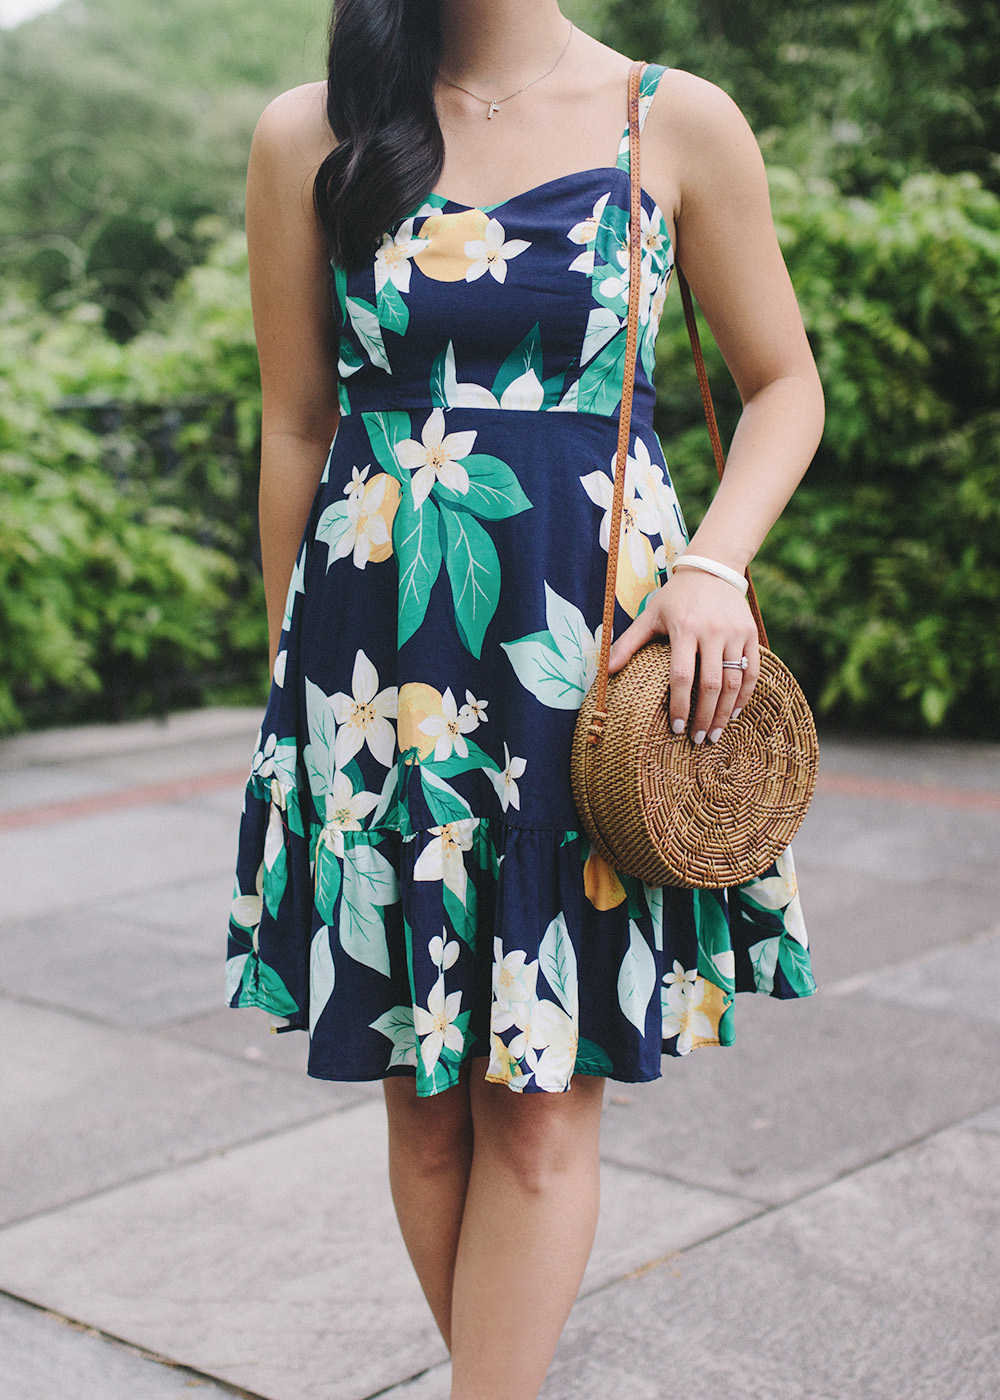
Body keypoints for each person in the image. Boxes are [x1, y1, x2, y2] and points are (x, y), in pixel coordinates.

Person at [226, 1, 825, 1395]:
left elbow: (783, 382)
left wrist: (716, 565)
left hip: (585, 659)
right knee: (430, 1110)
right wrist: (296, 703)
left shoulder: (669, 116)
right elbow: (299, 423)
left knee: (542, 1122)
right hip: (380, 682)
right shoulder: (309, 131)